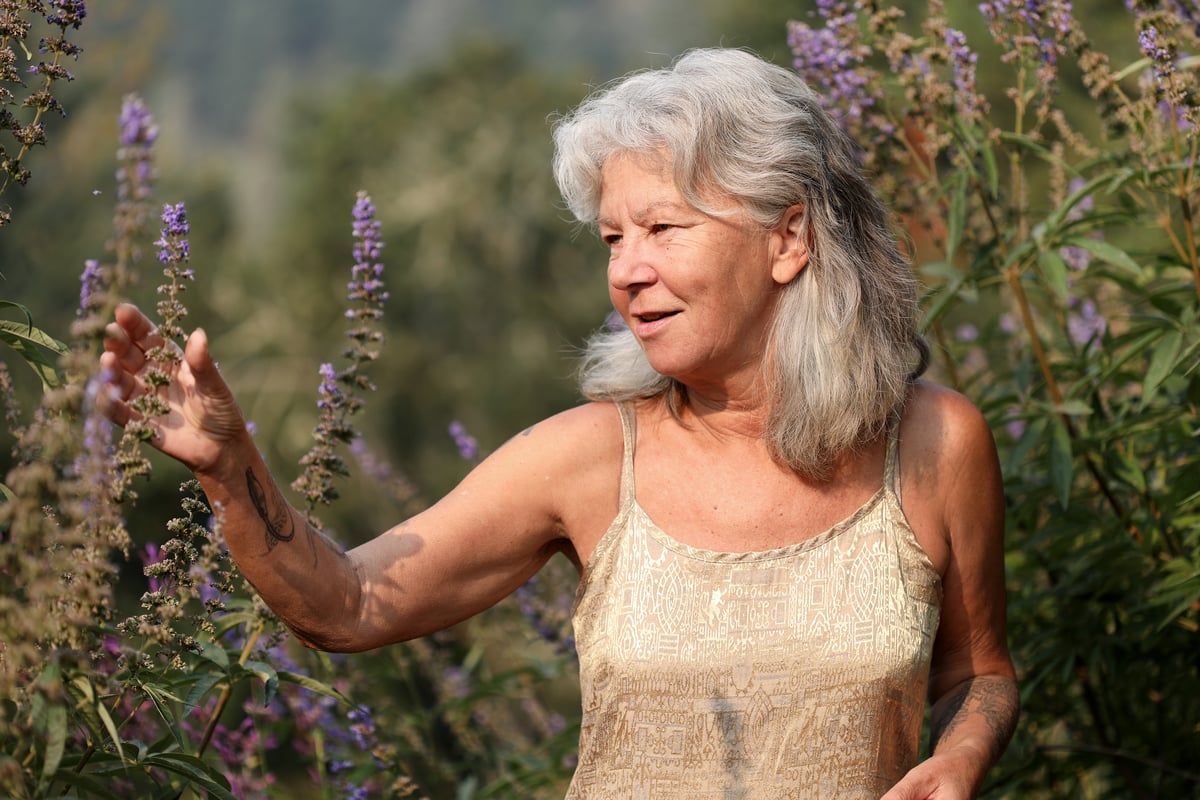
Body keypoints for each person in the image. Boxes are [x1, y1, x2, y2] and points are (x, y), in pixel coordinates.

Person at [101, 48, 1018, 799]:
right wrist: (230, 466)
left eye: (662, 229)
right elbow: (342, 605)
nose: (626, 272)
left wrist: (964, 751)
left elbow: (978, 672)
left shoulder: (936, 446)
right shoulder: (585, 458)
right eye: (613, 239)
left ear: (788, 239)